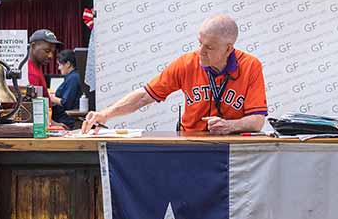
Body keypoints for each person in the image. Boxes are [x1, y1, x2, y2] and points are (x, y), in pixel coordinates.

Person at [82, 14, 267, 135]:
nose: (200, 51)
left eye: (209, 47)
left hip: (232, 148)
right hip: (190, 143)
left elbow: (257, 121)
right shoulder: (187, 63)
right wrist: (106, 114)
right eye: (199, 42)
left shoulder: (250, 66)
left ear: (228, 49)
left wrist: (230, 126)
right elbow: (145, 96)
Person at [25, 29, 62, 100]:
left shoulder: (35, 68)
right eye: (47, 51)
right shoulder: (31, 73)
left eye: (52, 52)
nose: (51, 56)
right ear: (33, 46)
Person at [51, 50, 82, 129]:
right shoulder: (72, 77)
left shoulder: (73, 78)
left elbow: (67, 102)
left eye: (60, 65)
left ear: (68, 64)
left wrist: (52, 98)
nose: (58, 68)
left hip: (66, 121)